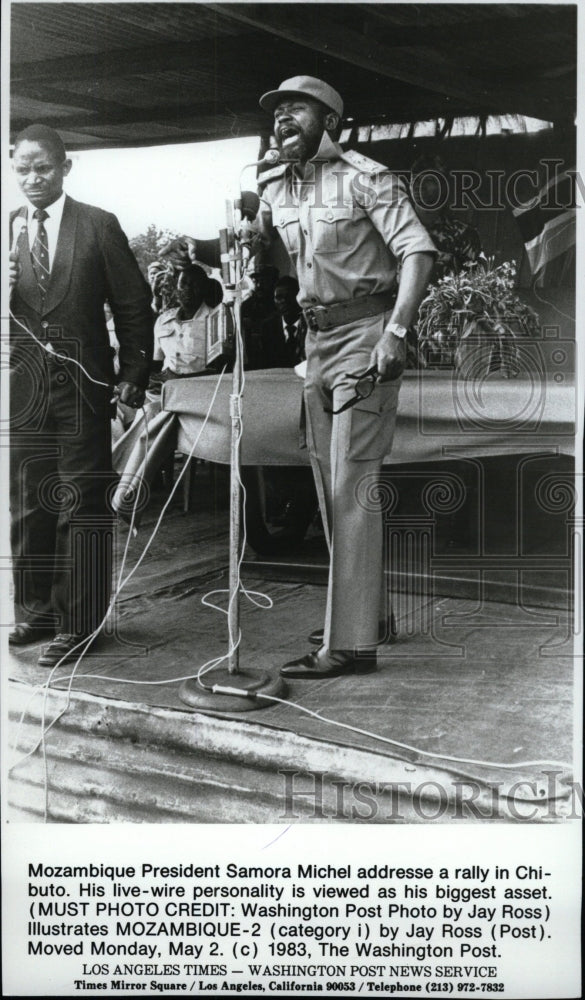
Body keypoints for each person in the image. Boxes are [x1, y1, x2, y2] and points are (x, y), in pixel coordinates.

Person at [256, 76, 436, 679]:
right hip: (316, 339)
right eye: (277, 111)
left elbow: (418, 252)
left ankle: (351, 646)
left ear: (330, 120)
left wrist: (397, 332)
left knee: (352, 485)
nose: (282, 118)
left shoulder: (369, 176)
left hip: (365, 334)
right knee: (327, 479)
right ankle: (365, 614)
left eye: (295, 110)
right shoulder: (274, 184)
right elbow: (276, 250)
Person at [8, 124, 153, 667]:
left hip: (85, 389)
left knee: (82, 503)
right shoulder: (7, 230)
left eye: (42, 167)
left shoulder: (97, 225)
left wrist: (133, 377)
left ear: (66, 167)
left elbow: (135, 305)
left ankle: (80, 624)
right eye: (22, 168)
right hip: (23, 391)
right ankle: (37, 610)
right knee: (28, 502)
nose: (32, 178)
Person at [409, 155, 484, 280]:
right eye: (414, 179)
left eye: (427, 180)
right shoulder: (398, 229)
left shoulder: (464, 235)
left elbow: (476, 286)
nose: (418, 185)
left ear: (442, 185)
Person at [259, 275, 307, 368]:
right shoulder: (268, 327)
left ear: (299, 298)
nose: (284, 301)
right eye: (279, 297)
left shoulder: (311, 326)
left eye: (290, 296)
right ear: (274, 300)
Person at [240, 265, 279, 368]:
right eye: (257, 281)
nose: (259, 285)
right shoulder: (248, 305)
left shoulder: (280, 304)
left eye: (264, 281)